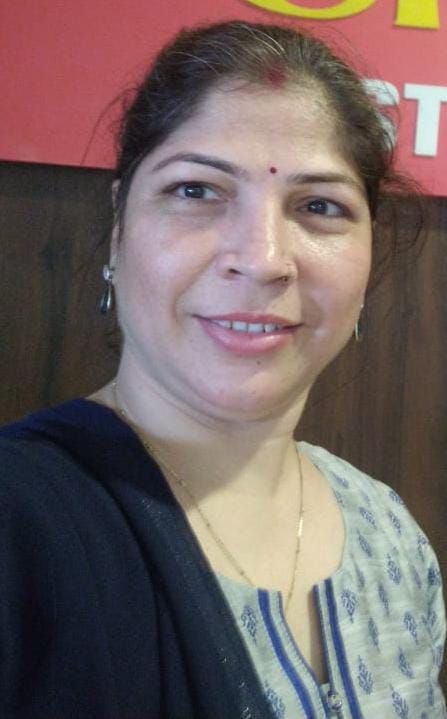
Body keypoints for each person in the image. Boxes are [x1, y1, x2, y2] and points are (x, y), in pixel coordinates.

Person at [0, 20, 445, 719]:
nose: (262, 259)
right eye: (195, 191)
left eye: (319, 206)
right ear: (118, 228)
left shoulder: (389, 531)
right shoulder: (20, 522)